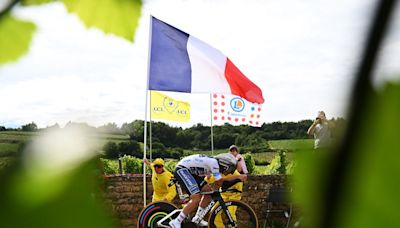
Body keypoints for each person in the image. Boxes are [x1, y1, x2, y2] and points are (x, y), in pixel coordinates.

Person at [168, 153, 246, 228]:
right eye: (230, 170)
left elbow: (217, 183)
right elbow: (220, 183)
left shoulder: (214, 163)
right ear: (225, 166)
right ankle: (177, 221)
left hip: (191, 173)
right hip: (182, 169)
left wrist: (237, 178)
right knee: (196, 198)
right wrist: (237, 177)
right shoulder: (214, 164)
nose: (228, 173)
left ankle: (197, 218)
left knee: (208, 192)